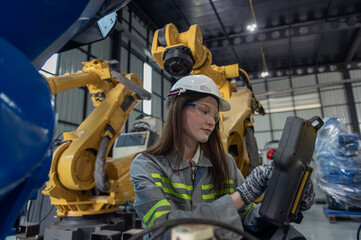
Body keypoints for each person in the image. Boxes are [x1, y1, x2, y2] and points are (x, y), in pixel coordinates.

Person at [130, 74, 314, 239]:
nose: (211, 121)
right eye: (204, 110)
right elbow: (166, 231)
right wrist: (242, 195)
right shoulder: (146, 165)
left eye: (215, 115)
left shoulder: (225, 162)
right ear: (177, 109)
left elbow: (247, 217)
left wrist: (288, 199)